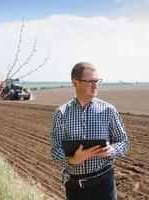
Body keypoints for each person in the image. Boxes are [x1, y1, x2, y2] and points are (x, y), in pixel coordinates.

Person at [51, 62, 129, 200]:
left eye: (97, 81)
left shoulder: (108, 110)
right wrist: (73, 160)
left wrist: (111, 150)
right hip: (75, 188)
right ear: (75, 83)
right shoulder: (61, 113)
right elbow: (56, 151)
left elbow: (123, 143)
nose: (96, 86)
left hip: (104, 186)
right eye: (90, 82)